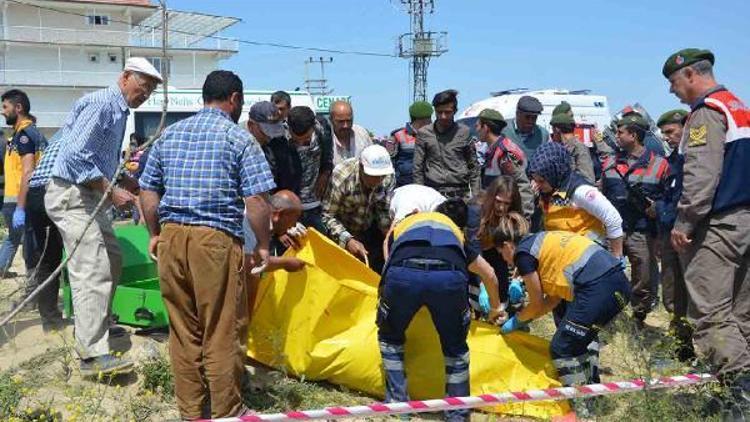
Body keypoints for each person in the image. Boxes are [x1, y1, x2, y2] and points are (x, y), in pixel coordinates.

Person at [139, 70, 274, 419]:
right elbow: (257, 201)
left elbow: (148, 190)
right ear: (234, 99)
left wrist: (155, 233)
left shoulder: (168, 135)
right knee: (221, 330)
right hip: (214, 242)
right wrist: (262, 244)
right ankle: (226, 411)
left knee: (184, 333)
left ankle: (192, 412)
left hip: (171, 237)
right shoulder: (238, 139)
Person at [44, 57, 160, 375]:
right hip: (72, 194)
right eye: (143, 86)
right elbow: (76, 155)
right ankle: (92, 355)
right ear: (125, 77)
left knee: (113, 259)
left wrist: (124, 184)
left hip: (89, 194)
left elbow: (96, 159)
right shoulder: (101, 104)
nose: (145, 94)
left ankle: (100, 324)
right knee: (92, 269)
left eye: (151, 90)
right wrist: (112, 191)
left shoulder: (118, 110)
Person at [664, 48, 750, 415]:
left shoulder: (705, 113)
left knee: (711, 316)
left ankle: (740, 394)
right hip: (744, 221)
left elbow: (701, 175)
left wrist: (685, 222)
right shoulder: (738, 106)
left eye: (673, 83)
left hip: (716, 227)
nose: (672, 92)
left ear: (690, 76)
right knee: (741, 313)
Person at [492, 212, 631, 417]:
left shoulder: (523, 254)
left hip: (597, 286)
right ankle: (592, 395)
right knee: (580, 341)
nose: (505, 261)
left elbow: (537, 303)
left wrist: (515, 322)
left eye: (501, 254)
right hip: (618, 283)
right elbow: (553, 300)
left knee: (561, 348)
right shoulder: (541, 241)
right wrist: (526, 317)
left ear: (506, 245)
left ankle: (581, 408)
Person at [378, 198, 503, 422]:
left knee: (390, 337)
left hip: (403, 272)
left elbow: (388, 250)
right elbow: (490, 274)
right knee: (455, 349)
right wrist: (495, 309)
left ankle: (398, 408)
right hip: (448, 278)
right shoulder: (456, 234)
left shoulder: (409, 222)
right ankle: (457, 414)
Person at [601, 114, 670, 328]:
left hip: (643, 231)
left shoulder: (660, 165)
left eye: (621, 132)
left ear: (633, 135)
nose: (617, 136)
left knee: (644, 277)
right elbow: (602, 193)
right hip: (613, 231)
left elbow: (668, 199)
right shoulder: (610, 162)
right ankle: (609, 314)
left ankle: (638, 317)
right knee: (607, 274)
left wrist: (656, 209)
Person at [529, 142, 623, 255]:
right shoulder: (548, 191)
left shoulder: (580, 191)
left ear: (554, 173)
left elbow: (613, 218)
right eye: (535, 180)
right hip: (564, 254)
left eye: (541, 181)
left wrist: (617, 256)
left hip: (588, 256)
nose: (537, 185)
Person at [653, 109, 694, 362]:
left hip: (689, 237)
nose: (666, 138)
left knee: (696, 295)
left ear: (685, 127)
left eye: (671, 132)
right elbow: (668, 198)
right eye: (664, 133)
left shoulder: (695, 158)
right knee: (672, 293)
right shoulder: (673, 161)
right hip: (669, 235)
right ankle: (683, 346)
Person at [322, 144, 394, 273]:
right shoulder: (342, 177)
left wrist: (389, 236)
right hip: (342, 230)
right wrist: (348, 240)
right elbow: (326, 216)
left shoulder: (388, 176)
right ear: (361, 167)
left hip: (370, 229)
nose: (378, 180)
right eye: (373, 176)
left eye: (381, 176)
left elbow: (383, 210)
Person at [242, 190, 307, 320]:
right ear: (278, 214)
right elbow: (250, 264)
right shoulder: (254, 221)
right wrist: (286, 263)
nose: (294, 225)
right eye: (294, 218)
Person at [0, 89, 44, 280]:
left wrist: (20, 206)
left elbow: (28, 171)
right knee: (27, 243)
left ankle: (33, 289)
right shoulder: (15, 137)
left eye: (5, 107)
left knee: (30, 246)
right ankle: (33, 288)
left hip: (22, 201)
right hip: (15, 202)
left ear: (18, 108)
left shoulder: (25, 135)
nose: (2, 111)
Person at [273, 105, 334, 238]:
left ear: (313, 126)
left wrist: (325, 173)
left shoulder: (323, 129)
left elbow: (328, 157)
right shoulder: (278, 140)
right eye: (296, 141)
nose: (301, 144)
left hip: (316, 205)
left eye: (306, 140)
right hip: (291, 210)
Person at [468, 176, 524, 313]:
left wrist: (518, 279)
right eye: (498, 201)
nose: (501, 207)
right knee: (478, 291)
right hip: (477, 254)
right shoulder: (476, 210)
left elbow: (519, 246)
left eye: (506, 203)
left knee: (501, 288)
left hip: (498, 254)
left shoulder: (513, 215)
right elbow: (473, 248)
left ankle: (501, 310)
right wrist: (482, 285)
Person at [413, 89, 479, 199]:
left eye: (447, 112)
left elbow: (473, 167)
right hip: (433, 194)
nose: (443, 116)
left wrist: (476, 198)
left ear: (455, 111)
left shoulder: (464, 132)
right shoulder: (424, 134)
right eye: (439, 112)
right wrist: (420, 196)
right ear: (435, 111)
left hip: (460, 194)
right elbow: (417, 169)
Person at [474, 109, 534, 211]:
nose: (476, 130)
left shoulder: (505, 153)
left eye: (478, 126)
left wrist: (524, 217)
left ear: (486, 127)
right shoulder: (493, 150)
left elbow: (523, 185)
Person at [388, 101, 433, 187]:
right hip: (404, 185)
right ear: (423, 119)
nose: (431, 121)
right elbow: (389, 163)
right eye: (429, 118)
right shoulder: (397, 136)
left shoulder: (433, 135)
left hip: (429, 184)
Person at [548, 113, 596, 183]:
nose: (553, 135)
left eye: (553, 130)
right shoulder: (563, 147)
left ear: (557, 129)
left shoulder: (579, 148)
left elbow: (588, 179)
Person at [329, 100, 372, 165]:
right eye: (341, 121)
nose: (345, 125)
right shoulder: (325, 139)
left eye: (349, 121)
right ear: (331, 120)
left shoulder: (361, 134)